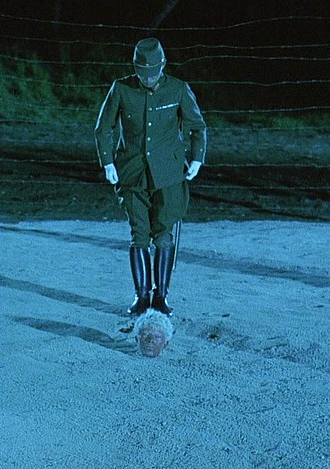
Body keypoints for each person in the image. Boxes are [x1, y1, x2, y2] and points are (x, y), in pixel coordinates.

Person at [94, 37, 207, 316]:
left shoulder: (178, 89)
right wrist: (108, 162)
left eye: (153, 74)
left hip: (168, 176)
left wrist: (196, 158)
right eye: (143, 74)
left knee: (164, 235)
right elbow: (103, 127)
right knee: (139, 235)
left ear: (162, 66)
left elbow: (197, 126)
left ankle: (162, 296)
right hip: (132, 173)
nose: (148, 80)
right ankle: (142, 295)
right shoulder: (121, 89)